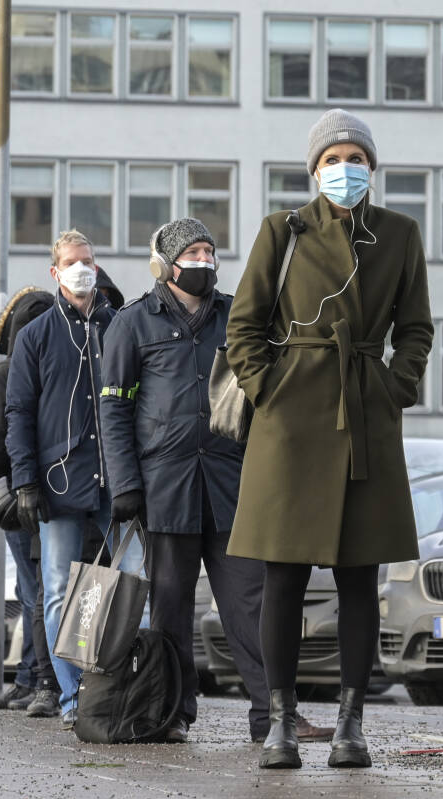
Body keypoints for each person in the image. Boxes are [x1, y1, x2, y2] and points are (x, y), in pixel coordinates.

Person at [225, 110, 433, 769]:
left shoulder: (399, 234)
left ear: (373, 168)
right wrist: (270, 393)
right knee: (281, 577)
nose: (346, 168)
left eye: (357, 158)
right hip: (289, 428)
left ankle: (351, 723)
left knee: (358, 579)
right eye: (334, 159)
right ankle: (281, 722)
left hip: (365, 420)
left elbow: (419, 329)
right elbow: (243, 327)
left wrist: (394, 388)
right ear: (314, 170)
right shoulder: (281, 231)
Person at [99, 217, 270, 745]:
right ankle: (172, 711)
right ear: (168, 264)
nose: (203, 260)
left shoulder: (236, 316)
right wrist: (125, 483)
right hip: (164, 487)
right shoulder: (132, 323)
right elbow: (113, 411)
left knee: (251, 602)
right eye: (192, 252)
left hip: (228, 485)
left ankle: (272, 715)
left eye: (209, 251)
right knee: (170, 607)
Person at [5, 229, 145, 730]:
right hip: (59, 481)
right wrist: (24, 479)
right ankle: (71, 698)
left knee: (132, 584)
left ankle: (131, 690)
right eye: (71, 261)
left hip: (118, 480)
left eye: (87, 260)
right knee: (60, 589)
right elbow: (17, 411)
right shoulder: (36, 335)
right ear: (55, 270)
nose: (81, 268)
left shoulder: (121, 325)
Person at [0, 286, 55, 713]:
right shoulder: (62, 364)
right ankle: (34, 677)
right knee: (44, 591)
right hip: (48, 491)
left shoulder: (8, 372)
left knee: (35, 593)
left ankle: (33, 678)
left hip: (14, 493)